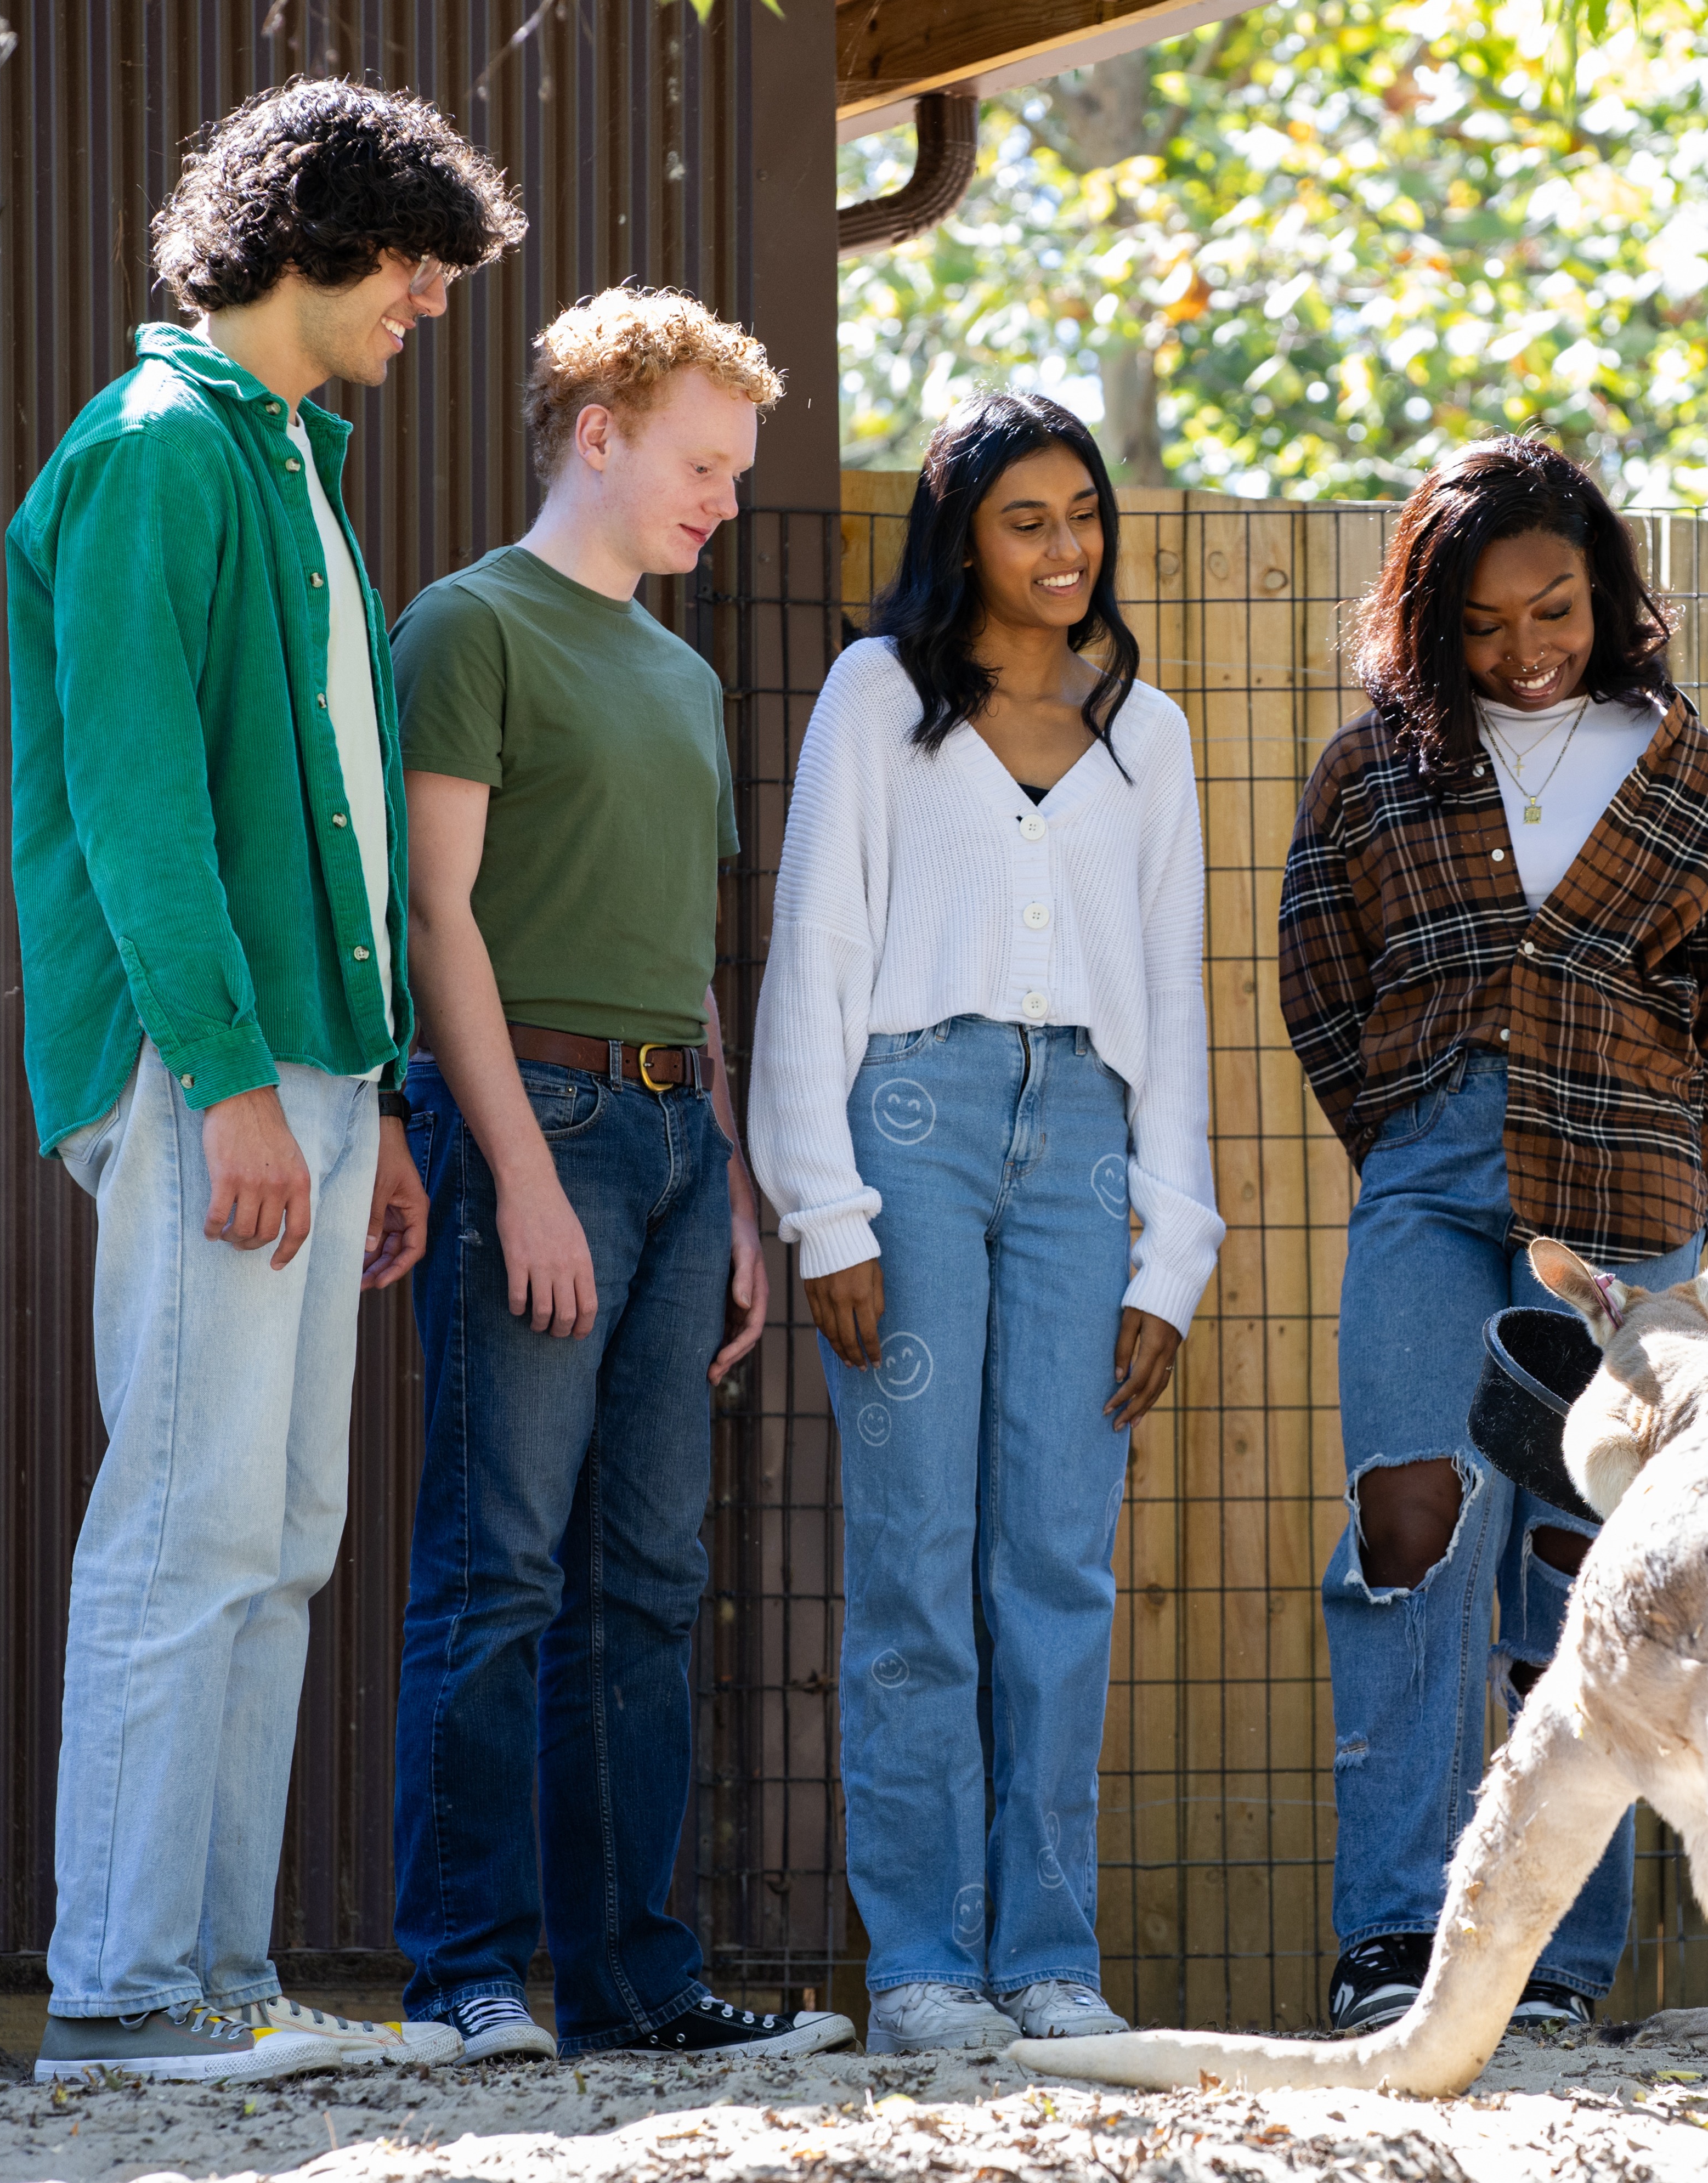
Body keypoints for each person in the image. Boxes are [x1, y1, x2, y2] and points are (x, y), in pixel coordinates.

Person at [5, 79, 522, 2083]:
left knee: (281, 1523)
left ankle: (210, 1988)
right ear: (324, 238)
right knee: (179, 1515)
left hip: (308, 1071)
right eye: (417, 269)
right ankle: (125, 1990)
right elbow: (140, 813)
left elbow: (334, 820)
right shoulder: (155, 458)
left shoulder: (290, 459)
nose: (431, 306)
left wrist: (369, 1093)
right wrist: (226, 1078)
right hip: (198, 1070)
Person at [1279, 436, 1708, 2034]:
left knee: (1595, 1567)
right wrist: (1417, 1134)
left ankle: (1554, 1970)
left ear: (1605, 589)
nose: (1524, 648)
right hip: (1428, 1186)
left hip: (1629, 1208)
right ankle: (1392, 1944)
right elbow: (1319, 976)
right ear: (1430, 616)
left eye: (1555, 609)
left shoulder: (1682, 764)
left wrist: (1663, 1151)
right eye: (1486, 622)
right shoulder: (1372, 767)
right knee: (1407, 1526)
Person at [386, 288, 852, 2063]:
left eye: (736, 473)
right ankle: (465, 1983)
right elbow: (438, 918)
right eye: (702, 465)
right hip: (542, 1131)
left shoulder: (682, 670)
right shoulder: (469, 629)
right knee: (497, 1565)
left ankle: (635, 1988)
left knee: (649, 1579)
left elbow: (690, 961)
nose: (724, 502)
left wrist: (725, 1188)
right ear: (598, 433)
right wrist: (507, 1166)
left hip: (670, 1146)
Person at [751, 392, 1224, 2055]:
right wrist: (827, 1211)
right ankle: (926, 1965)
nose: (1061, 547)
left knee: (1054, 1567)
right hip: (910, 1130)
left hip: (1085, 1147)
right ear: (960, 535)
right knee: (910, 1570)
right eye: (1023, 519)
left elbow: (1168, 993)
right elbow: (812, 951)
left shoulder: (1143, 730)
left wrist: (1174, 1247)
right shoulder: (877, 698)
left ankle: (1046, 1957)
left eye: (1079, 513)